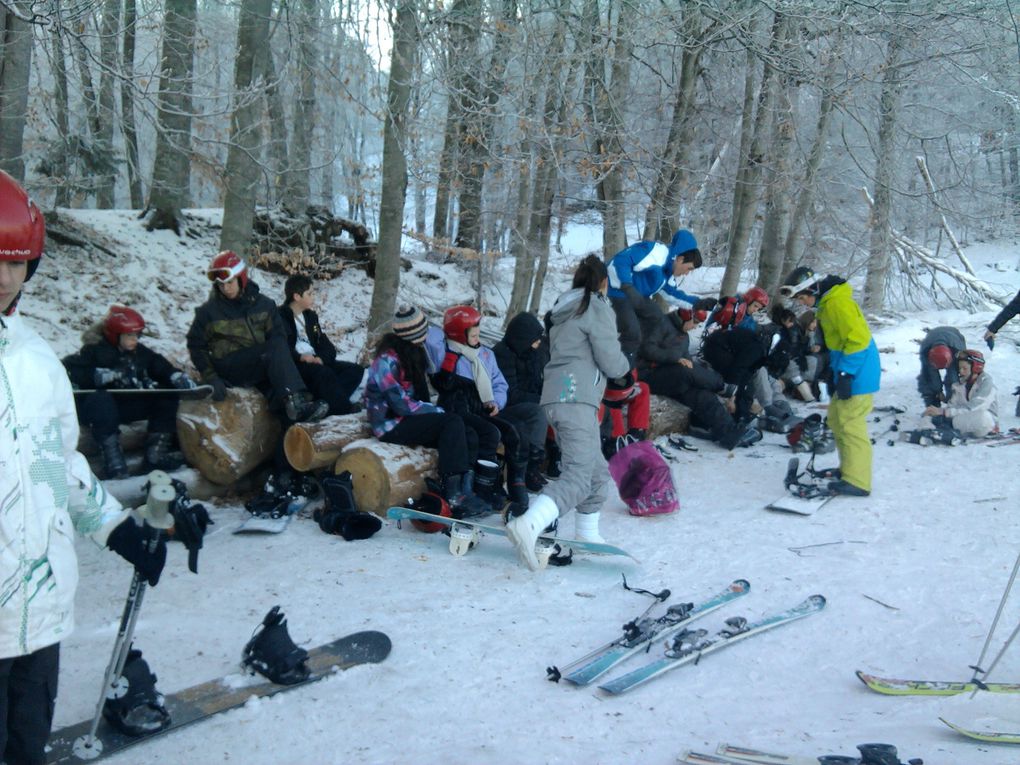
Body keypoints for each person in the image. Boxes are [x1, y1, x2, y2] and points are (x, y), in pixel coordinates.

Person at [0, 170, 170, 763]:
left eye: (17, 263)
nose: (4, 278)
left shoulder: (38, 359)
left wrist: (119, 529)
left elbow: (57, 465)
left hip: (39, 616)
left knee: (24, 749)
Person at [505, 255, 633, 571]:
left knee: (595, 471)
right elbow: (611, 358)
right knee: (578, 473)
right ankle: (530, 523)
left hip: (558, 396)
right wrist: (625, 367)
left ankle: (587, 535)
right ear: (604, 282)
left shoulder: (564, 308)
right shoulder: (595, 306)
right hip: (577, 397)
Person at [364, 305, 498, 517]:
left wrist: (435, 409)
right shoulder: (386, 361)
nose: (428, 335)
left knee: (466, 430)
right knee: (450, 422)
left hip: (406, 418)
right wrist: (435, 410)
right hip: (390, 424)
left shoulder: (413, 351)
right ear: (413, 335)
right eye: (423, 332)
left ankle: (466, 489)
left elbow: (423, 391)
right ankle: (452, 494)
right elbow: (400, 405)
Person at [186, 251, 328, 424]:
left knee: (280, 392)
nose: (226, 288)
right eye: (221, 284)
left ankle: (292, 431)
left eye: (229, 282)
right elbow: (196, 346)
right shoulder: (209, 312)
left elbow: (278, 336)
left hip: (258, 364)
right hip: (228, 366)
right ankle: (297, 404)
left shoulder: (264, 304)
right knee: (274, 350)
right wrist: (211, 377)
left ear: (241, 278)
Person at [425, 306, 545, 509]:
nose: (477, 338)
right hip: (457, 408)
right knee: (486, 434)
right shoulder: (446, 353)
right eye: (472, 334)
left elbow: (500, 383)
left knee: (514, 431)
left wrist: (495, 402)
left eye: (479, 333)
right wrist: (450, 330)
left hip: (482, 408)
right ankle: (480, 486)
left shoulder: (486, 354)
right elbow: (430, 340)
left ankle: (515, 481)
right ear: (457, 334)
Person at [63, 305, 198, 478]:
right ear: (115, 334)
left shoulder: (138, 351)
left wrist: (174, 376)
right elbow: (72, 370)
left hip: (127, 404)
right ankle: (113, 461)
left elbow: (157, 364)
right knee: (100, 400)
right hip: (102, 411)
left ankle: (155, 456)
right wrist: (97, 376)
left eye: (137, 335)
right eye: (129, 335)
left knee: (166, 396)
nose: (135, 339)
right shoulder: (94, 350)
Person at [781, 266, 881, 497]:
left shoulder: (837, 304)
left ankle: (858, 480)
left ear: (814, 289)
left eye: (803, 296)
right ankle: (848, 470)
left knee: (850, 424)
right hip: (848, 369)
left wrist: (846, 374)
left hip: (859, 371)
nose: (803, 302)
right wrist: (835, 373)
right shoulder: (828, 304)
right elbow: (838, 344)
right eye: (799, 299)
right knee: (837, 419)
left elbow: (858, 340)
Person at [635, 302, 760, 450]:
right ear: (685, 317)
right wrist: (674, 358)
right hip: (648, 374)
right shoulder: (660, 324)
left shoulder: (684, 336)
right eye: (694, 322)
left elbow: (688, 361)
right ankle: (722, 386)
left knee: (701, 394)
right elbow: (647, 349)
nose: (695, 327)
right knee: (685, 370)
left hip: (671, 377)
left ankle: (729, 433)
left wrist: (685, 363)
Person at [606, 229, 704, 364]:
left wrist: (699, 303)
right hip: (616, 290)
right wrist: (627, 286)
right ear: (680, 259)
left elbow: (672, 294)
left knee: (656, 315)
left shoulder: (668, 272)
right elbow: (621, 260)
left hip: (636, 296)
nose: (686, 274)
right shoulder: (655, 253)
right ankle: (620, 369)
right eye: (689, 268)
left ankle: (641, 354)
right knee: (632, 332)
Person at [279, 274, 366, 416]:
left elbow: (326, 344)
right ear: (296, 296)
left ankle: (326, 404)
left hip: (316, 360)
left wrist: (322, 358)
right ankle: (344, 410)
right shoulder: (281, 317)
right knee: (325, 374)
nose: (313, 296)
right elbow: (280, 347)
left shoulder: (310, 317)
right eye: (309, 293)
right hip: (297, 364)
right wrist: (301, 357)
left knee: (355, 370)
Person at [491, 311, 551, 489]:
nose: (539, 342)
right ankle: (531, 469)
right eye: (535, 339)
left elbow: (537, 382)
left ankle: (555, 457)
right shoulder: (503, 354)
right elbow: (510, 393)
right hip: (504, 406)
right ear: (522, 339)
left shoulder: (530, 353)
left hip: (525, 401)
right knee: (538, 412)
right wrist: (542, 398)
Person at [923, 349, 998, 438]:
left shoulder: (987, 384)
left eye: (964, 368)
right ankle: (930, 431)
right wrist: (936, 413)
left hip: (985, 424)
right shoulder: (959, 385)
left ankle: (943, 431)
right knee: (930, 417)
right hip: (963, 421)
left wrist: (943, 412)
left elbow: (975, 407)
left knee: (983, 416)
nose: (961, 372)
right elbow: (952, 406)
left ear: (976, 368)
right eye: (959, 368)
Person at [917, 326, 965, 408]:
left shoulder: (958, 350)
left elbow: (955, 376)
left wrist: (953, 391)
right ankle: (932, 403)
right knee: (926, 377)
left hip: (954, 336)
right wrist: (938, 391)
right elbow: (931, 374)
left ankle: (954, 402)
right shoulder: (925, 351)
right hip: (932, 337)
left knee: (954, 374)